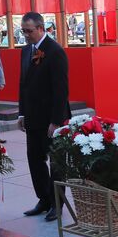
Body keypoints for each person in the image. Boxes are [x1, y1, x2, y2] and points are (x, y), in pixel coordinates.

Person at [19, 12, 72, 222]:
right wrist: (22, 112)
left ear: (41, 28)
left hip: (51, 119)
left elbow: (61, 90)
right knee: (35, 160)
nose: (26, 35)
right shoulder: (25, 51)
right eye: (23, 31)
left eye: (29, 31)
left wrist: (56, 121)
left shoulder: (55, 51)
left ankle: (57, 205)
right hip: (32, 117)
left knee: (56, 163)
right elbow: (23, 84)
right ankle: (44, 199)